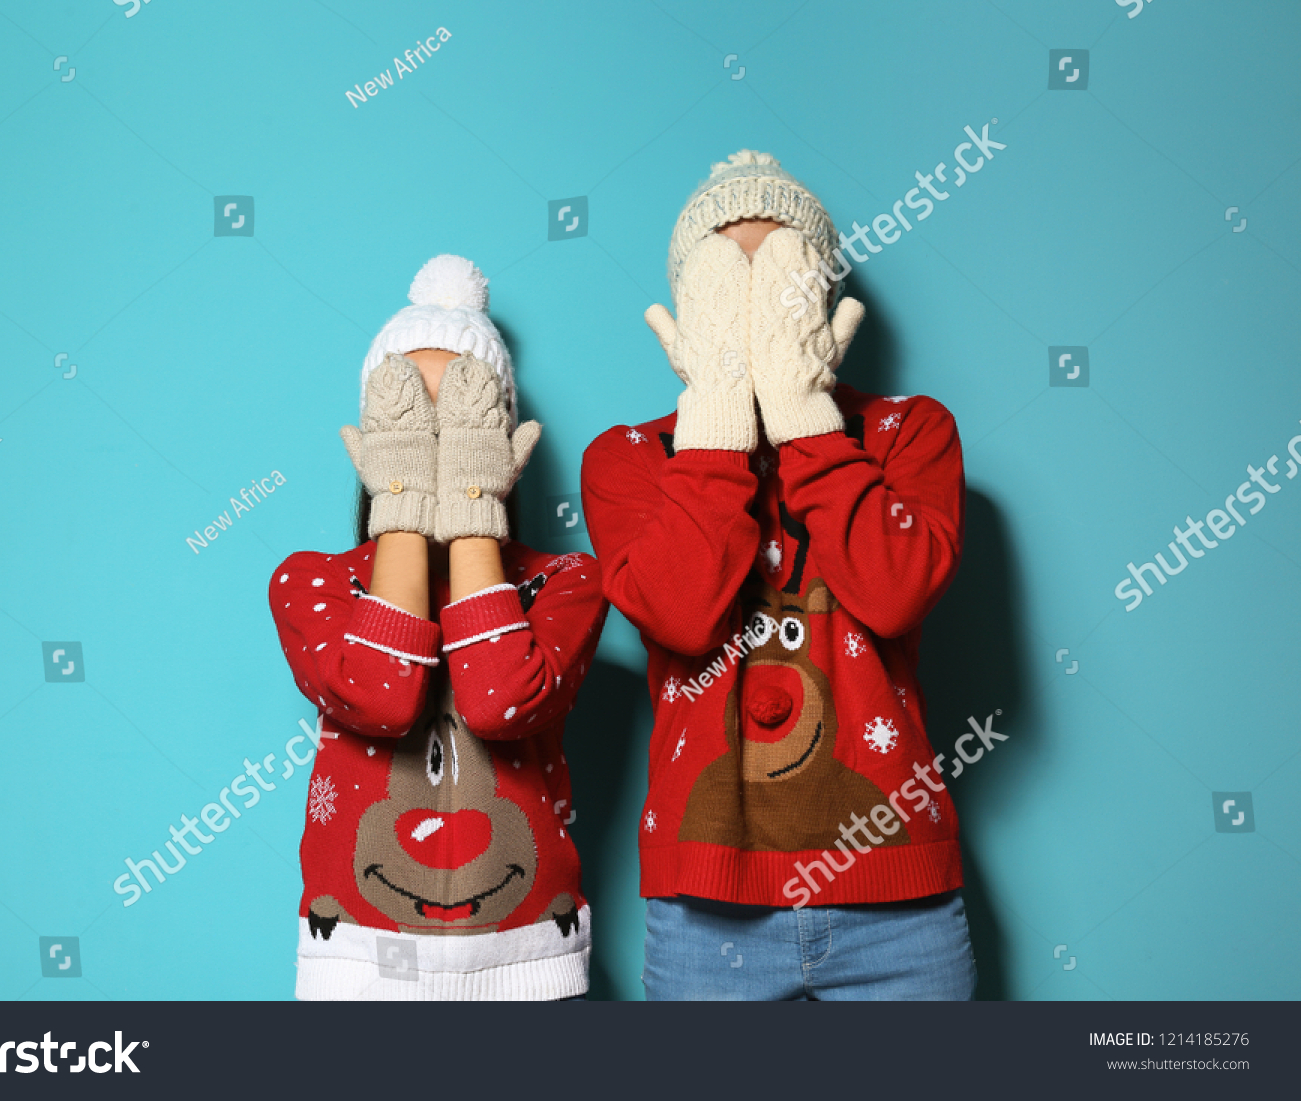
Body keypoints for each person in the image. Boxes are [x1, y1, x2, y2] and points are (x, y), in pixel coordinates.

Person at [580, 151, 975, 1000]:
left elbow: (895, 592)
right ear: (692, 308)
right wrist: (719, 418)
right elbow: (682, 616)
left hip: (901, 896)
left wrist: (803, 413)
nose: (757, 309)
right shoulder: (630, 457)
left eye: (780, 277)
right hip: (705, 905)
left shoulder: (910, 432)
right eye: (732, 283)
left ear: (821, 295)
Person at [271, 254, 608, 1000]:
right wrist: (402, 500)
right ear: (371, 439)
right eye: (408, 415)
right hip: (360, 965)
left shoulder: (565, 581)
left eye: (459, 413)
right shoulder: (313, 580)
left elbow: (498, 702)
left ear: (502, 436)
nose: (433, 435)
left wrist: (470, 499)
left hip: (530, 963)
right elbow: (382, 698)